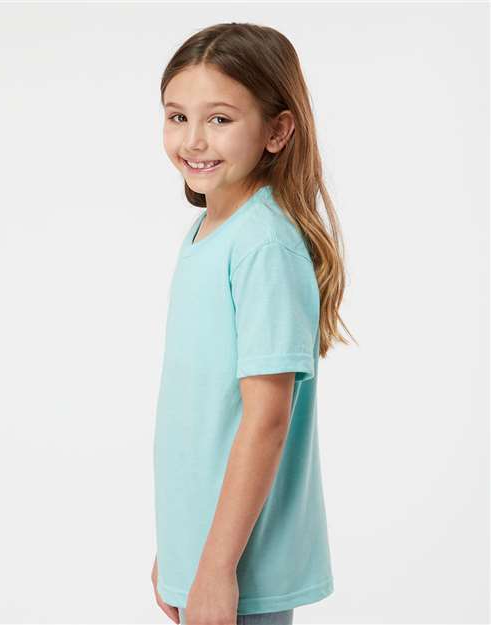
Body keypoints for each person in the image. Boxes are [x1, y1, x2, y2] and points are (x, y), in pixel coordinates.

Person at [151, 22, 356, 625]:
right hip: (204, 553)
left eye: (219, 118)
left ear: (277, 131)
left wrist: (216, 567)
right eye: (177, 116)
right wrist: (179, 548)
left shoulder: (264, 245)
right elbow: (200, 416)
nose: (193, 140)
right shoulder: (209, 231)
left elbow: (266, 418)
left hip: (240, 566)